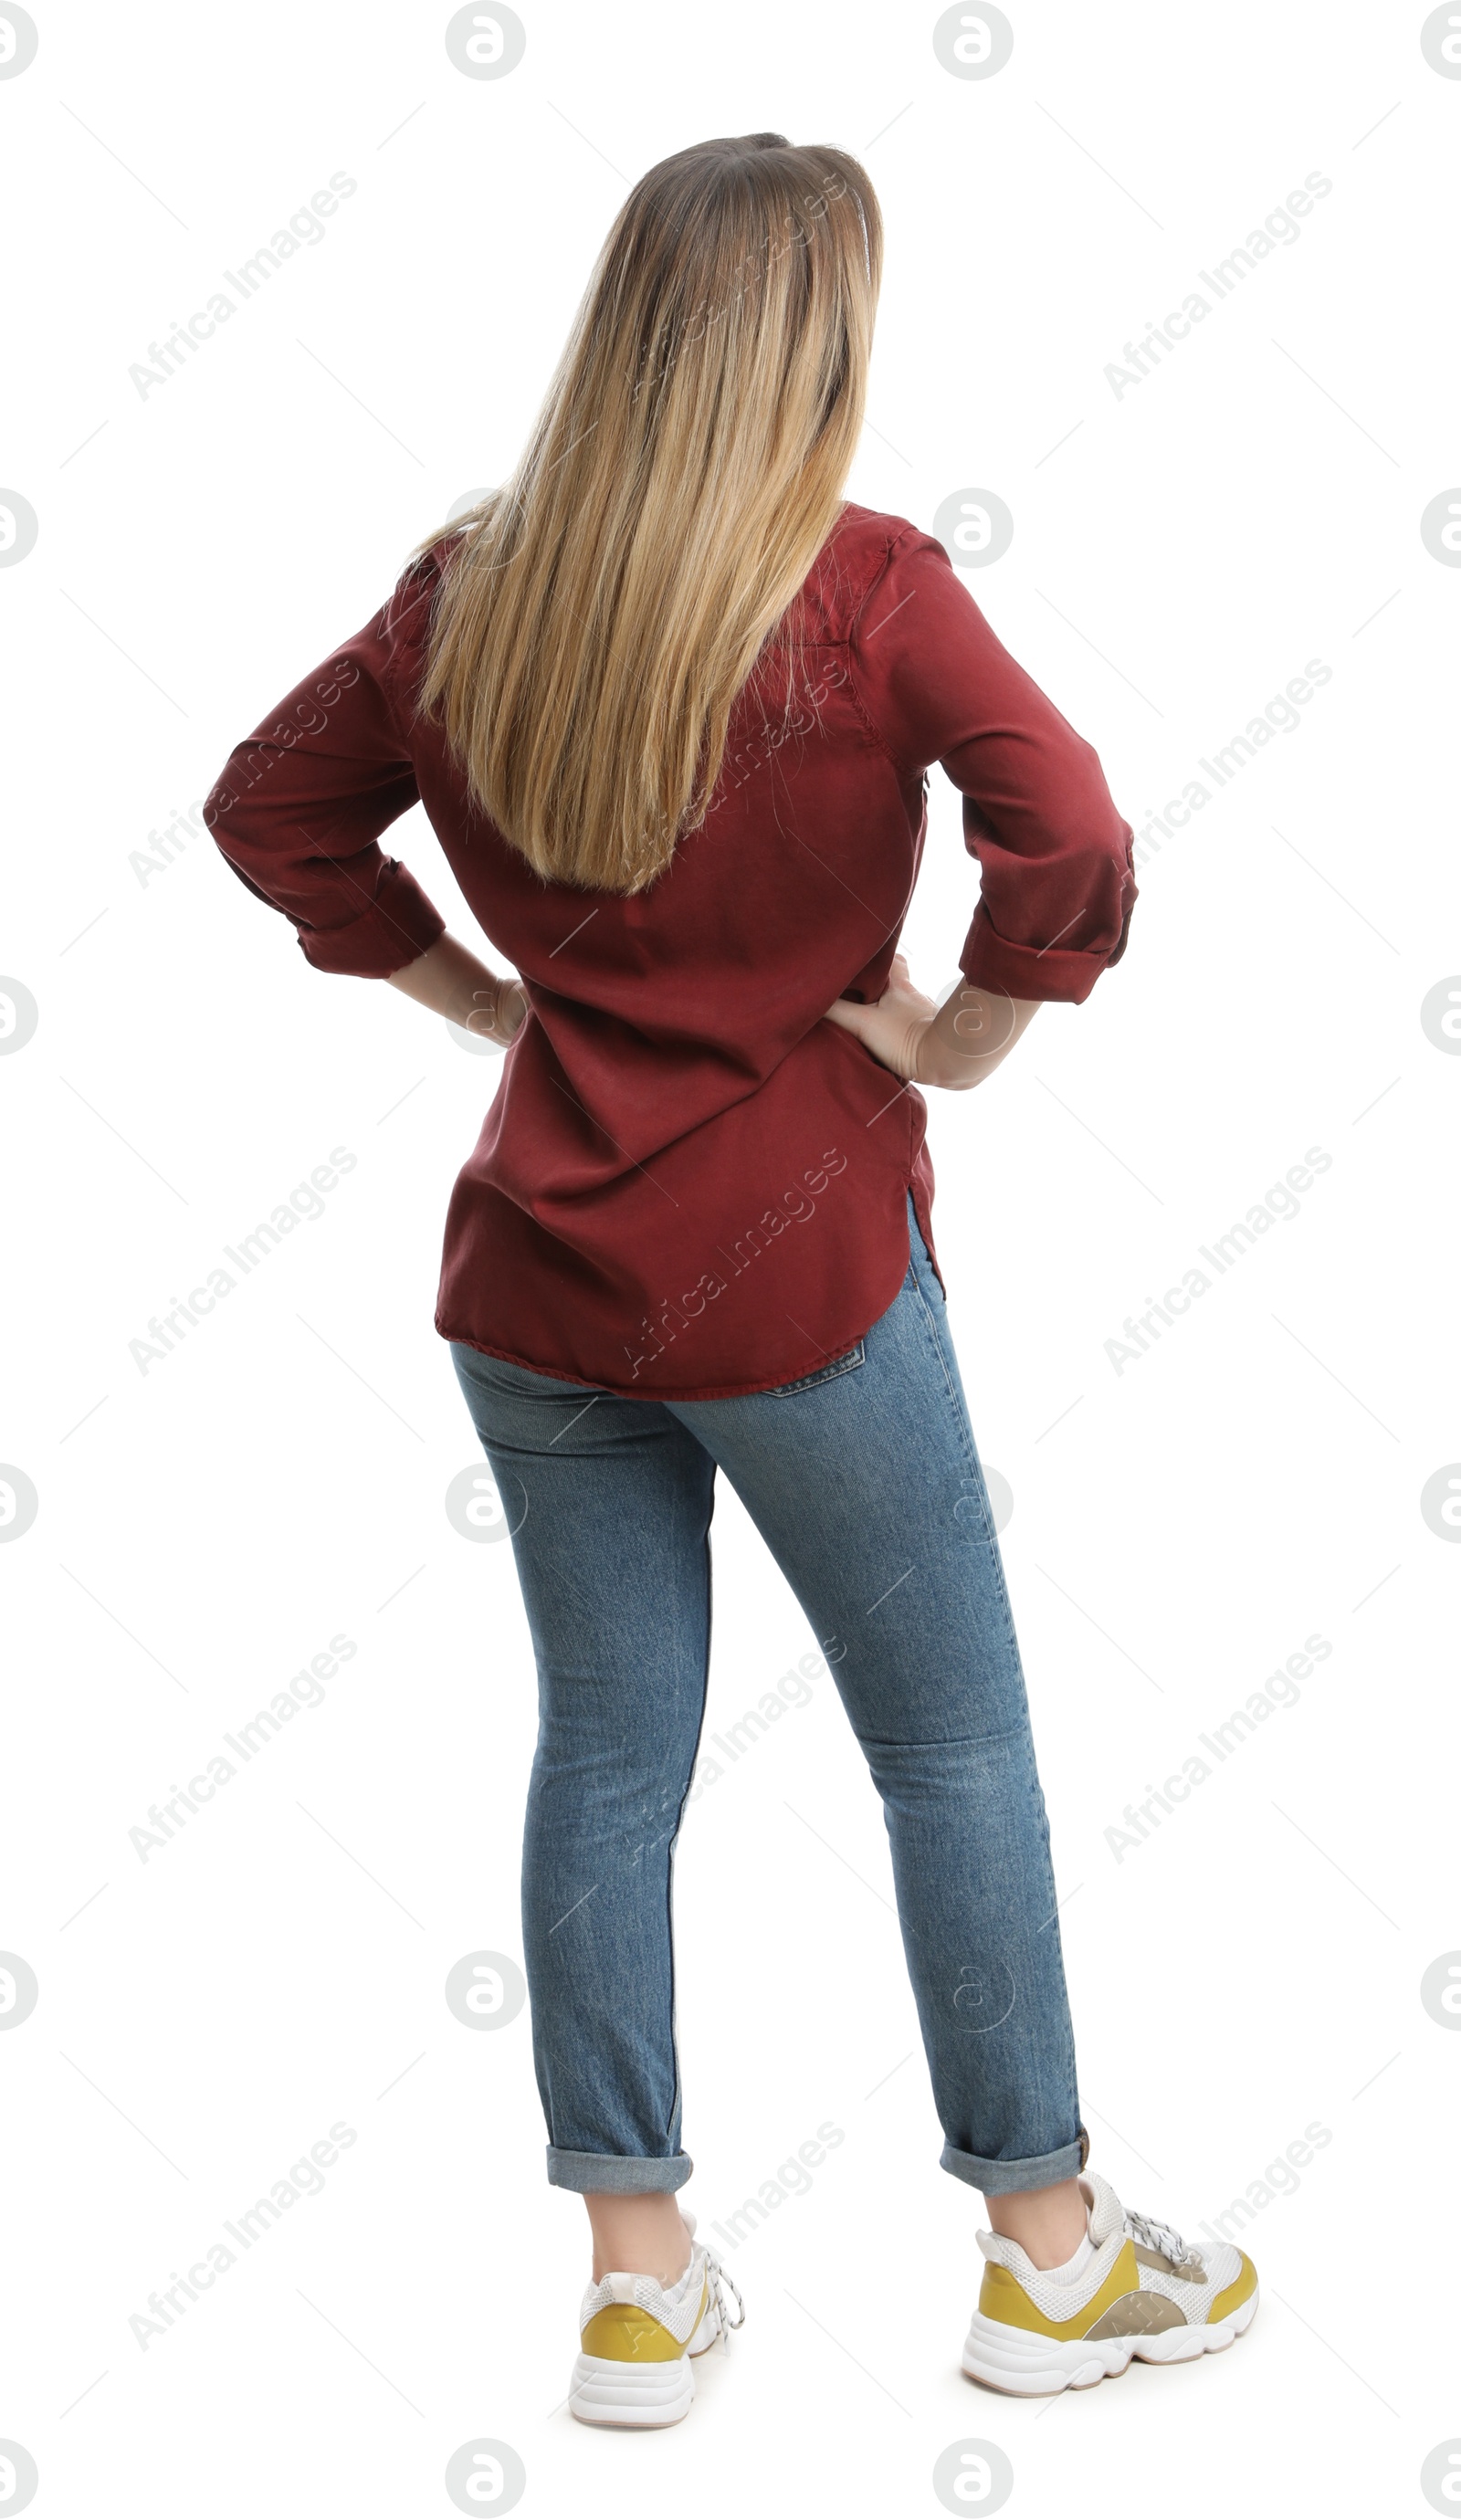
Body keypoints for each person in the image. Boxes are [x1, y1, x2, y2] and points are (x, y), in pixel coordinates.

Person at [204, 131, 1258, 2422]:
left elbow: (267, 809)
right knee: (951, 1749)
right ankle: (1049, 2260)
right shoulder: (867, 589)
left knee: (604, 1754)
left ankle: (633, 2285)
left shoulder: (463, 594)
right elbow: (1064, 825)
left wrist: (491, 1008)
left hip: (532, 1276)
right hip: (796, 1282)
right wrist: (962, 1038)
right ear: (820, 349)